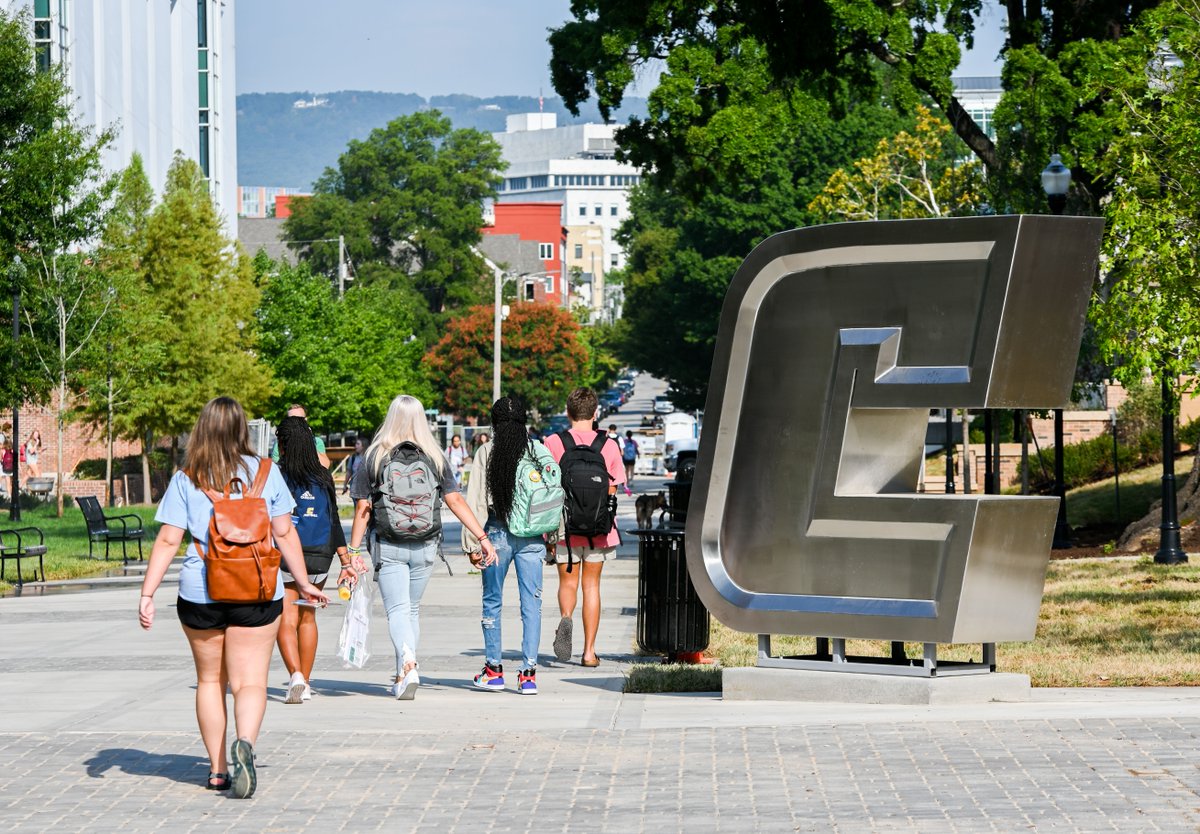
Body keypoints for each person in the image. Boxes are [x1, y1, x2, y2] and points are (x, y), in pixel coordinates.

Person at [138, 397, 329, 799]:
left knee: (211, 680)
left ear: (202, 428)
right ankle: (246, 743)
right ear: (244, 428)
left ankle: (218, 770)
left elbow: (169, 538)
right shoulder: (266, 472)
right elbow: (284, 532)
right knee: (250, 681)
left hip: (200, 591)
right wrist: (303, 581)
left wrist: (147, 592)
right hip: (257, 588)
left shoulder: (187, 475)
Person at [347, 395, 496, 700]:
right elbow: (454, 500)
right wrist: (482, 537)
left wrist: (352, 552)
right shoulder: (434, 456)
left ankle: (407, 662)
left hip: (388, 542)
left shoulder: (374, 456)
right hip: (427, 544)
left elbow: (363, 506)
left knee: (398, 610)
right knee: (411, 609)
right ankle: (405, 670)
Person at [462, 397, 551, 694]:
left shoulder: (487, 452)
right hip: (534, 537)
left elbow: (474, 500)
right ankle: (528, 675)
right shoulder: (539, 451)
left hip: (496, 534)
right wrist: (554, 537)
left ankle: (494, 671)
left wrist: (472, 544)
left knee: (492, 601)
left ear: (495, 422)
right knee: (532, 606)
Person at [274, 417, 364, 704]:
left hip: (288, 555)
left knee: (286, 619)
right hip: (321, 555)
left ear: (282, 444)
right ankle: (308, 682)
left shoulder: (278, 475)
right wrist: (345, 560)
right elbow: (334, 520)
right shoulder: (324, 477)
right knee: (307, 617)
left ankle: (295, 676)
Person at [544, 388, 626, 667]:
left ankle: (565, 619)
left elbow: (547, 487)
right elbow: (613, 487)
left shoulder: (554, 442)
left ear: (568, 413)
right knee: (592, 587)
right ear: (595, 414)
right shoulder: (609, 445)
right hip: (598, 530)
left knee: (568, 581)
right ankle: (589, 652)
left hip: (564, 527)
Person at [271, 404, 330, 468]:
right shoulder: (280, 442)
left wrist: (309, 440)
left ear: (305, 420)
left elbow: (325, 466)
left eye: (299, 419)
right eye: (292, 419)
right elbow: (277, 467)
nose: (296, 422)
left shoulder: (316, 441)